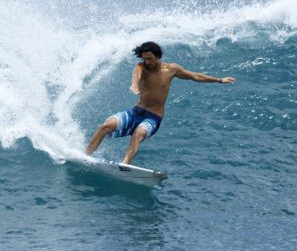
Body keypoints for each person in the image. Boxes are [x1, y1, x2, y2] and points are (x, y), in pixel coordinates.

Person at [85, 41, 236, 164]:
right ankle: (86, 156)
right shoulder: (141, 67)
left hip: (153, 117)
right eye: (144, 58)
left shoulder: (171, 69)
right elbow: (136, 76)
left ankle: (124, 165)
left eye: (150, 58)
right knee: (105, 126)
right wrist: (134, 85)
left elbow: (195, 76)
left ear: (158, 56)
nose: (147, 61)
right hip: (135, 112)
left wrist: (219, 80)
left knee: (138, 134)